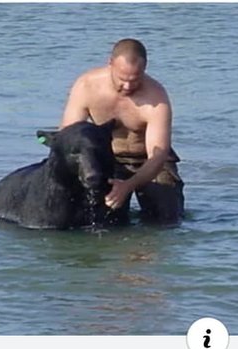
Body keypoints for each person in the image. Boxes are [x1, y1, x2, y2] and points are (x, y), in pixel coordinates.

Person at [60, 38, 184, 223]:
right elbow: (69, 136)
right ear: (110, 64)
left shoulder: (157, 98)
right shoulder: (87, 86)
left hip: (150, 161)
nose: (127, 86)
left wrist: (128, 186)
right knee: (102, 219)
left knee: (166, 218)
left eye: (135, 80)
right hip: (108, 158)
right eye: (122, 79)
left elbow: (158, 155)